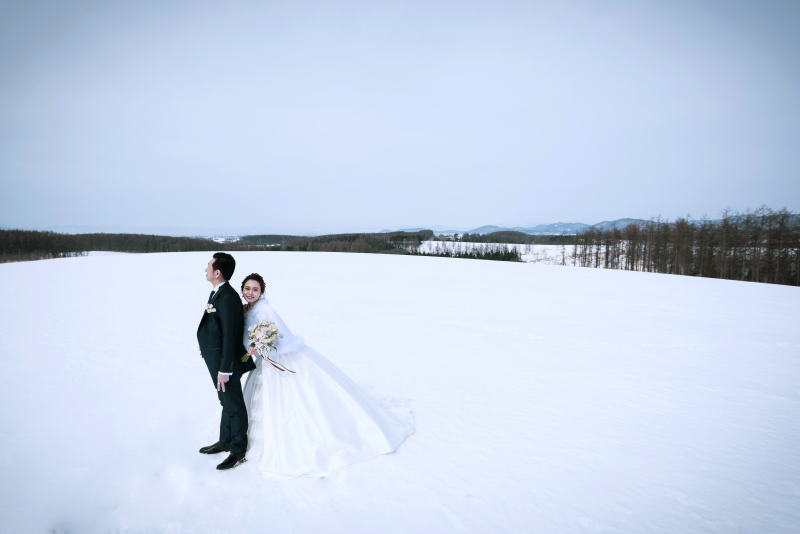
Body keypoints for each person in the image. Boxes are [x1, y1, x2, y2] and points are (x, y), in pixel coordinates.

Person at [240, 273, 415, 480]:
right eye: (247, 288)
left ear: (262, 292)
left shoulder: (266, 309)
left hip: (278, 361)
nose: (250, 293)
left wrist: (259, 346)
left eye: (255, 289)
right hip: (263, 362)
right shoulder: (245, 310)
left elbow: (278, 336)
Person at [196, 253, 255, 470]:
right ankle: (225, 440)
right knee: (226, 402)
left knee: (233, 404)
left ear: (217, 272)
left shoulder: (228, 297)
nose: (205, 269)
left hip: (225, 364)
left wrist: (225, 369)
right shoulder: (219, 293)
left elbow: (231, 336)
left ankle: (238, 450)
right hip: (217, 360)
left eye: (208, 266)